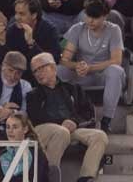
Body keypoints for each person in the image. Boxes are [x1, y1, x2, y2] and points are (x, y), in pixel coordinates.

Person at [25, 51, 108, 182]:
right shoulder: (32, 95)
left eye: (41, 68)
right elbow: (36, 118)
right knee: (61, 132)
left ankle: (85, 178)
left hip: (71, 129)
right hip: (43, 131)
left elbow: (89, 113)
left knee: (99, 136)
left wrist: (75, 122)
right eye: (35, 71)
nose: (38, 73)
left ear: (53, 67)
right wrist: (62, 123)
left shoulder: (73, 88)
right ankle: (49, 176)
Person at [56, 0, 124, 133]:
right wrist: (77, 66)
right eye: (88, 16)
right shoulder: (77, 29)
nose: (90, 21)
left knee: (116, 70)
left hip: (101, 74)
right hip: (81, 74)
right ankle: (60, 115)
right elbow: (64, 59)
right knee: (58, 69)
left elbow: (116, 60)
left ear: (105, 16)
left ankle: (106, 120)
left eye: (95, 17)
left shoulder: (114, 30)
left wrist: (91, 68)